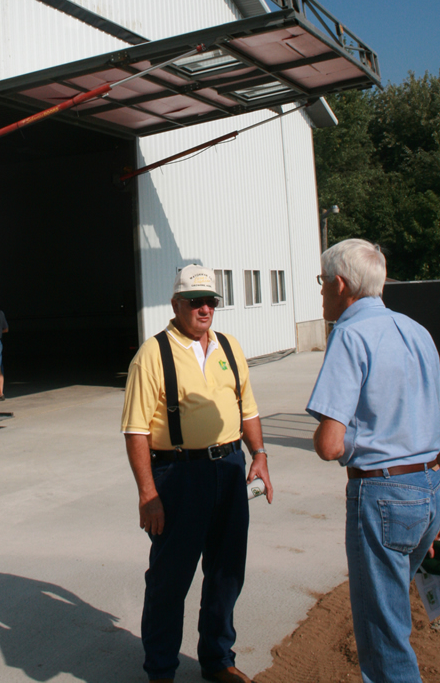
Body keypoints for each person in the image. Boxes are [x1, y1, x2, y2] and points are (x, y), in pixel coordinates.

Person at [122, 265, 273, 683]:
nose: (204, 309)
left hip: (229, 468)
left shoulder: (229, 346)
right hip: (178, 475)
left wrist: (258, 454)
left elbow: (248, 408)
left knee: (227, 571)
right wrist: (148, 494)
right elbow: (135, 431)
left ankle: (218, 659)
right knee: (170, 578)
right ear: (176, 305)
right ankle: (162, 670)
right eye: (195, 302)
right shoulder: (153, 354)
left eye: (210, 301)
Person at [307, 239, 440, 683]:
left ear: (341, 284)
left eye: (322, 283)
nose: (322, 292)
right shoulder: (416, 330)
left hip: (383, 495)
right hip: (429, 489)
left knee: (384, 634)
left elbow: (330, 444)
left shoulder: (349, 334)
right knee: (395, 616)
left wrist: (351, 444)